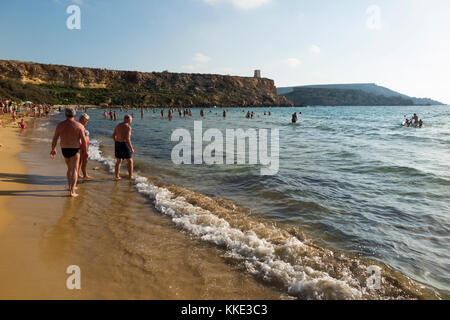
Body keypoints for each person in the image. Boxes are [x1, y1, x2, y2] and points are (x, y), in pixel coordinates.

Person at [50, 108, 88, 198]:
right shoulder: (79, 126)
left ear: (65, 115)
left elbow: (55, 138)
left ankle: (70, 186)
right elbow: (83, 140)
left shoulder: (60, 125)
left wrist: (53, 149)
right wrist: (85, 152)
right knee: (74, 169)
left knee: (69, 169)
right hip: (75, 149)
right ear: (74, 115)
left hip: (64, 149)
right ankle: (72, 191)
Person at [112, 115, 135, 180]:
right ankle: (130, 176)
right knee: (130, 161)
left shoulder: (118, 125)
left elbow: (113, 135)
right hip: (124, 144)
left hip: (117, 143)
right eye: (131, 120)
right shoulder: (128, 127)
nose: (131, 121)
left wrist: (116, 142)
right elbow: (127, 139)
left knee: (119, 160)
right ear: (128, 120)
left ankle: (117, 176)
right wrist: (131, 148)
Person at [78, 113, 92, 180]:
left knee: (81, 161)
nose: (87, 122)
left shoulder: (81, 126)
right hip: (82, 146)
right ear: (84, 120)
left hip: (83, 145)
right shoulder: (80, 126)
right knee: (84, 160)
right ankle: (85, 175)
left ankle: (78, 174)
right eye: (87, 120)